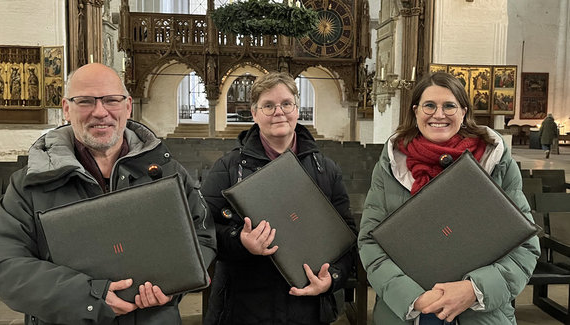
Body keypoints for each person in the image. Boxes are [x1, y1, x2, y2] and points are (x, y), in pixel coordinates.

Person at [0, 63, 217, 325]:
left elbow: (202, 237)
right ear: (66, 108)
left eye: (111, 100)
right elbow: (3, 263)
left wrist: (172, 284)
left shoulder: (167, 171)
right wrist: (88, 298)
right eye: (85, 101)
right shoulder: (31, 183)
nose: (100, 112)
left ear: (128, 106)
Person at [358, 72, 540, 325]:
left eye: (449, 106)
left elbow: (525, 245)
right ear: (416, 111)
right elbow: (370, 241)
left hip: (481, 314)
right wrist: (412, 297)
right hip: (406, 312)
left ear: (464, 111)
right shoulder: (391, 163)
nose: (439, 114)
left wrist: (474, 290)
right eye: (429, 105)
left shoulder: (494, 161)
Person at [202, 71, 357, 325]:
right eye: (268, 105)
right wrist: (240, 240)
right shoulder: (228, 167)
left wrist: (333, 279)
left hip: (307, 305)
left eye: (286, 103)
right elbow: (204, 230)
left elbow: (346, 236)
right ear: (254, 113)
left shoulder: (325, 169)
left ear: (297, 109)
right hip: (242, 306)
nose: (279, 111)